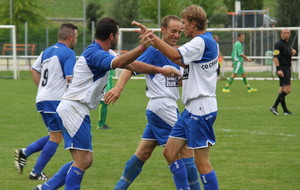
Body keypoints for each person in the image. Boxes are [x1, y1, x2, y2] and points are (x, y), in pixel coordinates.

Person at [33, 17, 180, 190]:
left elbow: (132, 65)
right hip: (73, 108)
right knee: (82, 161)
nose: (118, 37)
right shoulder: (94, 53)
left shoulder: (103, 52)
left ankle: (45, 188)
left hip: (76, 108)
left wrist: (161, 70)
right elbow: (118, 63)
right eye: (118, 34)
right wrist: (142, 47)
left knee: (83, 160)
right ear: (112, 36)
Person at [105, 15, 200, 190]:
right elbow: (130, 66)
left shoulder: (175, 53)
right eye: (173, 31)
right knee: (185, 148)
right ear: (162, 30)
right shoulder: (154, 51)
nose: (176, 35)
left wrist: (180, 80)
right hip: (162, 106)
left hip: (160, 108)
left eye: (179, 32)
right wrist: (118, 88)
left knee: (143, 152)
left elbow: (175, 80)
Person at [133, 4, 219, 190]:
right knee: (170, 152)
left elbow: (174, 54)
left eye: (185, 23)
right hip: (190, 109)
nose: (183, 27)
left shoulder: (200, 41)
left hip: (201, 107)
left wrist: (152, 37)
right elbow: (179, 60)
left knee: (202, 162)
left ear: (194, 23)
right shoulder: (206, 41)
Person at [14, 23, 78, 180]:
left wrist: (43, 89)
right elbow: (70, 79)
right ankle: (36, 172)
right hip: (54, 101)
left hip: (42, 99)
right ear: (70, 37)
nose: (76, 40)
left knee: (54, 134)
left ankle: (25, 152)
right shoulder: (68, 53)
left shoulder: (46, 51)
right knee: (56, 137)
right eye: (76, 38)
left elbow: (34, 69)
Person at [269, 28, 296, 115]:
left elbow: (287, 54)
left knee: (281, 90)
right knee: (287, 90)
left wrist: (292, 52)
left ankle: (285, 110)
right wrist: (278, 69)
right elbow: (275, 57)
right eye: (285, 33)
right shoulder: (279, 44)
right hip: (283, 69)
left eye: (288, 33)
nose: (286, 34)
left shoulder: (287, 45)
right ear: (281, 34)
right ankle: (274, 106)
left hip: (287, 68)